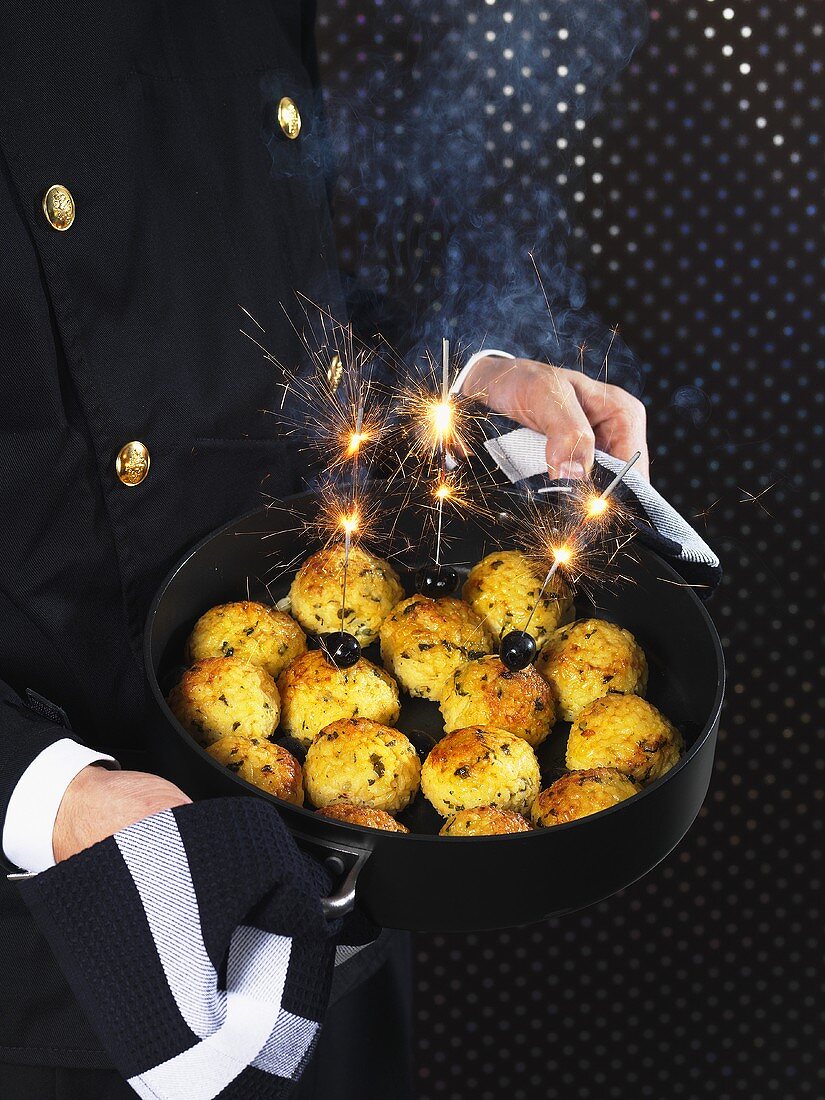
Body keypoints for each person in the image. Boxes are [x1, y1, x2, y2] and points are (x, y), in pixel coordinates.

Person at [0, 2, 648, 1097]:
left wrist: (452, 381)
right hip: (68, 930)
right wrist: (42, 789)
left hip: (335, 884)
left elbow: (268, 304)